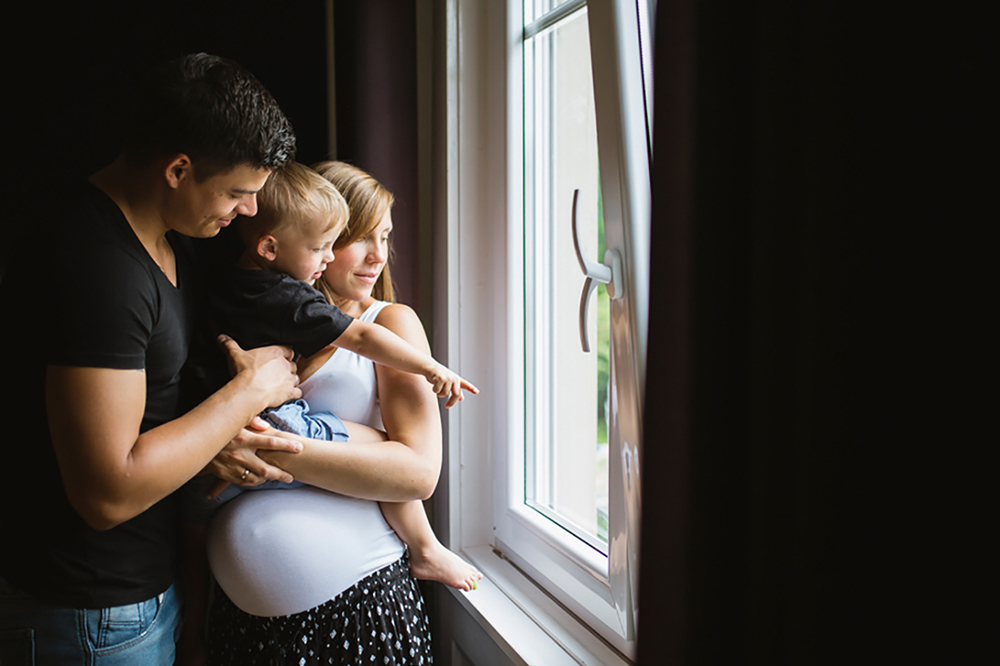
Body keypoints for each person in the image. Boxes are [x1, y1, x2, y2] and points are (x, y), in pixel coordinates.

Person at [0, 53, 305, 665]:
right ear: (178, 169)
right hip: (86, 615)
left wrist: (214, 440)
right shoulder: (98, 268)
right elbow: (106, 492)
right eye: (239, 192)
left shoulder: (162, 239)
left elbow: (140, 418)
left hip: (129, 600)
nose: (248, 211)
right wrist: (247, 393)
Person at [203, 161, 479, 665]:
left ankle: (426, 547)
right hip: (239, 620)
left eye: (386, 237)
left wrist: (261, 447)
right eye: (359, 239)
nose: (378, 256)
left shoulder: (388, 323)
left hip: (357, 609)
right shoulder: (259, 310)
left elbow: (418, 473)